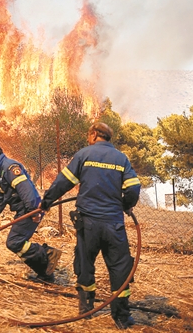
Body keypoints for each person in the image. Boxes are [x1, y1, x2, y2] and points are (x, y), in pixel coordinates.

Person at [40, 122, 141, 329]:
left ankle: (86, 309)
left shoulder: (84, 155)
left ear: (94, 134)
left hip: (88, 223)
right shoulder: (121, 158)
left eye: (89, 135)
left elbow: (63, 182)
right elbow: (133, 188)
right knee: (120, 267)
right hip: (114, 224)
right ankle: (121, 316)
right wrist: (126, 205)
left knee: (85, 263)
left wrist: (47, 201)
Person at [0, 145, 62, 282]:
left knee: (14, 242)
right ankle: (45, 275)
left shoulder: (10, 168)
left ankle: (48, 254)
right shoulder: (1, 172)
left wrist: (33, 212)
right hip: (24, 209)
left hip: (30, 209)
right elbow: (0, 198)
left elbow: (26, 190)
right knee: (17, 243)